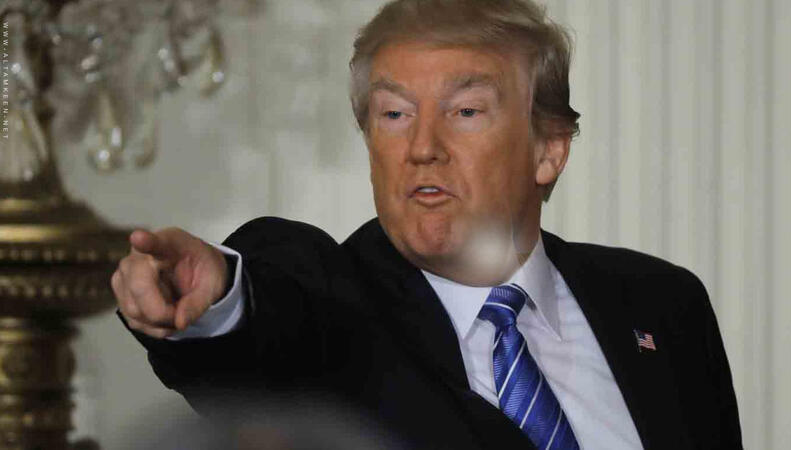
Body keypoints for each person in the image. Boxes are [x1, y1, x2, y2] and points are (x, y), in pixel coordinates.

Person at [112, 1, 742, 449]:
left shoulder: (663, 303)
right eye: (394, 114)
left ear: (547, 150)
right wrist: (221, 297)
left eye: (465, 111)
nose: (422, 147)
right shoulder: (330, 307)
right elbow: (266, 318)